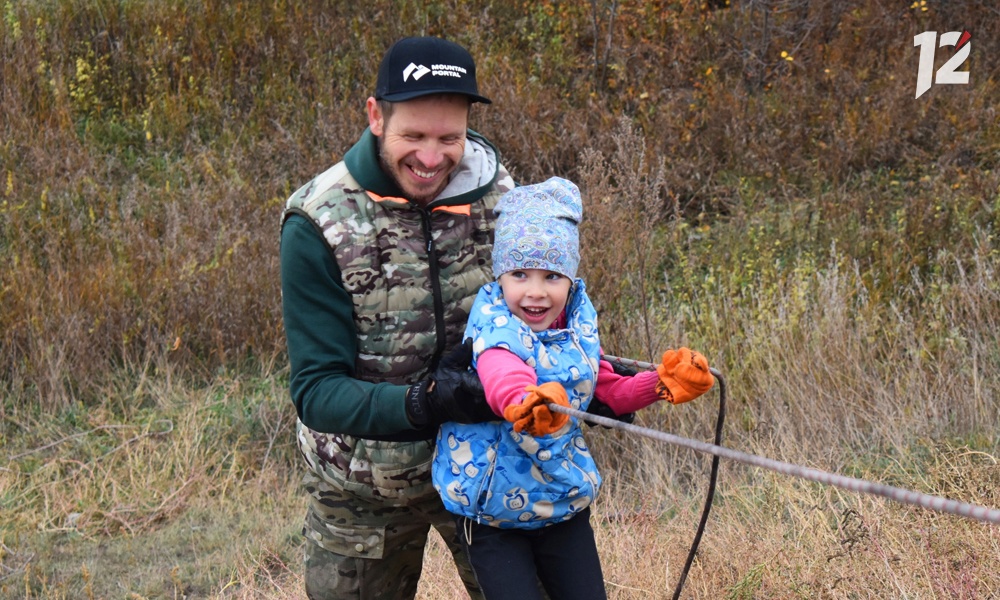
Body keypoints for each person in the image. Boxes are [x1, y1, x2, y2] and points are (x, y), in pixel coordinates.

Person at [279, 36, 513, 599]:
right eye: (413, 136)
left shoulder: (502, 197)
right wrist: (423, 402)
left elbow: (541, 321)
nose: (431, 159)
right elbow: (316, 391)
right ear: (375, 116)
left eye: (448, 138)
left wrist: (613, 382)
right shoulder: (317, 222)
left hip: (486, 466)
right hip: (360, 486)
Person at [432, 177, 715, 600]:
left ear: (570, 278)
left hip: (560, 501)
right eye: (520, 274)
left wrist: (661, 383)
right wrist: (524, 402)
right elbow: (500, 371)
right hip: (490, 512)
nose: (535, 292)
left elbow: (605, 389)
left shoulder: (577, 326)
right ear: (500, 275)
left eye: (552, 276)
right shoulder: (494, 324)